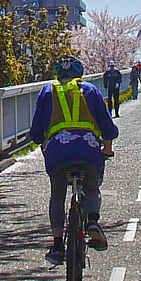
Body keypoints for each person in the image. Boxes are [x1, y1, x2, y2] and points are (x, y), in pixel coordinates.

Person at [30, 56, 116, 262]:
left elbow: (35, 133)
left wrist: (44, 143)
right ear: (79, 75)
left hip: (57, 151)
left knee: (57, 195)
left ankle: (58, 246)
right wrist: (107, 148)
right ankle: (93, 220)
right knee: (92, 187)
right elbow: (107, 127)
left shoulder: (47, 90)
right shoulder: (90, 90)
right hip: (88, 150)